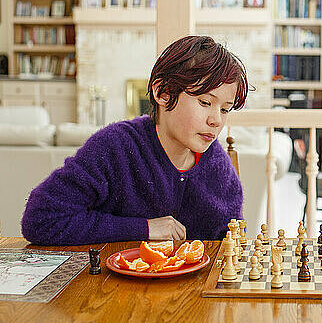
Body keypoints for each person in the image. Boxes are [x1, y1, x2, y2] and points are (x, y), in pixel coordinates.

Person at [21, 35, 249, 245]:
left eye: (225, 109)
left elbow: (232, 238)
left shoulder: (216, 161)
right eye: (205, 103)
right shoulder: (114, 146)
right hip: (112, 287)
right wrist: (144, 228)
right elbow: (40, 219)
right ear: (162, 93)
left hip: (188, 289)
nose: (216, 121)